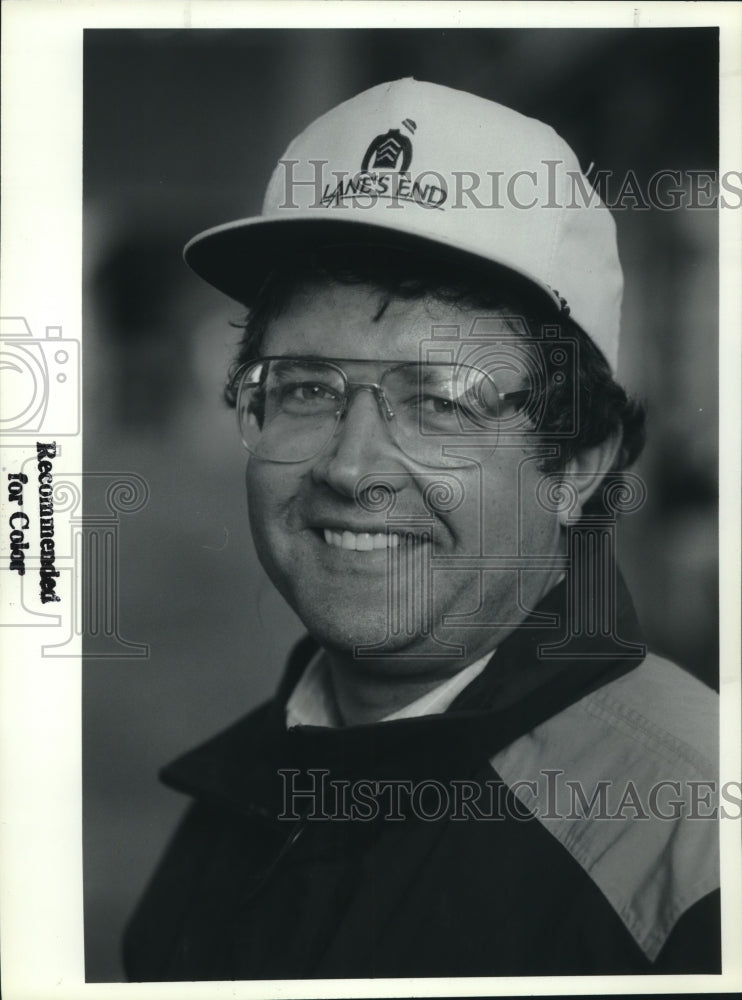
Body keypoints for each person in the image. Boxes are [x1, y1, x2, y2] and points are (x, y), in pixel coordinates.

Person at [123, 79, 719, 980]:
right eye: (307, 388)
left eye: (441, 399)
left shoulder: (692, 846)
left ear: (578, 465)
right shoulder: (240, 805)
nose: (351, 466)